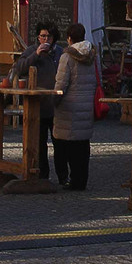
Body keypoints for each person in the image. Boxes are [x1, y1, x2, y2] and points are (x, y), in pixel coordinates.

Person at [50, 23, 97, 190]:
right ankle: (81, 180)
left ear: (69, 38)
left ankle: (67, 179)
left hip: (68, 107)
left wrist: (53, 101)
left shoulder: (67, 57)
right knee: (83, 146)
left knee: (65, 146)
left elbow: (61, 84)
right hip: (86, 105)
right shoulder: (91, 55)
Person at [15, 22, 63, 174]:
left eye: (49, 36)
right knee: (40, 143)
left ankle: (63, 176)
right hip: (39, 105)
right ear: (38, 37)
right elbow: (19, 68)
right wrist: (36, 54)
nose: (46, 39)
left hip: (56, 104)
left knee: (60, 144)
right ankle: (42, 175)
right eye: (43, 36)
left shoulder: (60, 52)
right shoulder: (31, 50)